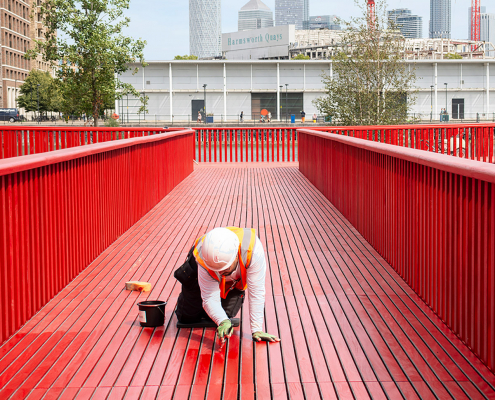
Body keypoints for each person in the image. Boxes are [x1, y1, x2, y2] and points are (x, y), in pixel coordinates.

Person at [174, 227, 281, 343]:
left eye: (224, 270)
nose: (220, 274)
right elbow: (209, 298)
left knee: (226, 314)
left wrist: (257, 329)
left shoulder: (253, 251)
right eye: (217, 271)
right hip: (198, 270)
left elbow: (257, 291)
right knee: (187, 318)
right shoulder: (203, 258)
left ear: (236, 256)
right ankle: (194, 303)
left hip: (233, 282)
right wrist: (222, 320)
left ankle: (211, 312)